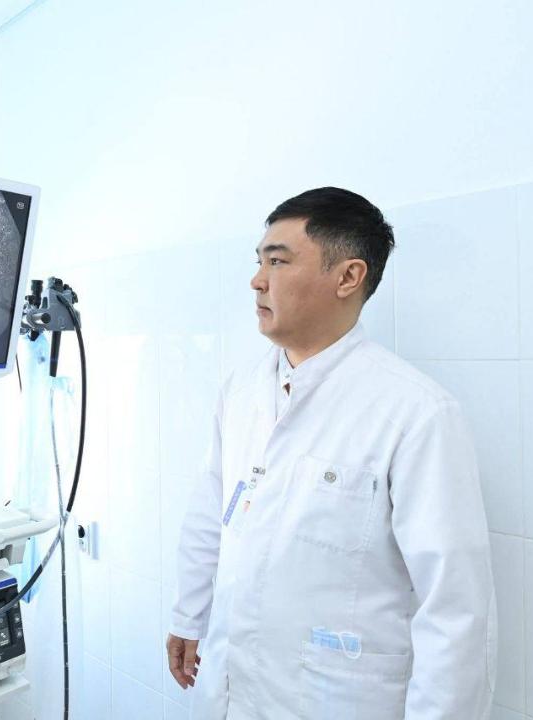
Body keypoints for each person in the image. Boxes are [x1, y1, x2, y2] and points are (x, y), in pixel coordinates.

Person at [166, 187, 497, 719]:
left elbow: (455, 610)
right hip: (233, 688)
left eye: (278, 261)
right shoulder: (242, 391)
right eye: (259, 262)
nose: (257, 280)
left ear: (348, 277)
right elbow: (211, 511)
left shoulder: (416, 413)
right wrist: (189, 614)